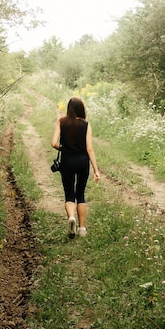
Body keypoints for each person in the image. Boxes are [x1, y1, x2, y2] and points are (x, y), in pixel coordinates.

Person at [51, 97, 100, 238]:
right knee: (81, 194)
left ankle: (71, 217)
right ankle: (82, 228)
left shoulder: (61, 122)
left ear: (69, 108)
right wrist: (96, 170)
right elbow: (90, 149)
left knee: (69, 193)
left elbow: (53, 143)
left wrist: (63, 148)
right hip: (82, 161)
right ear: (81, 109)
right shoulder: (85, 124)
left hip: (67, 161)